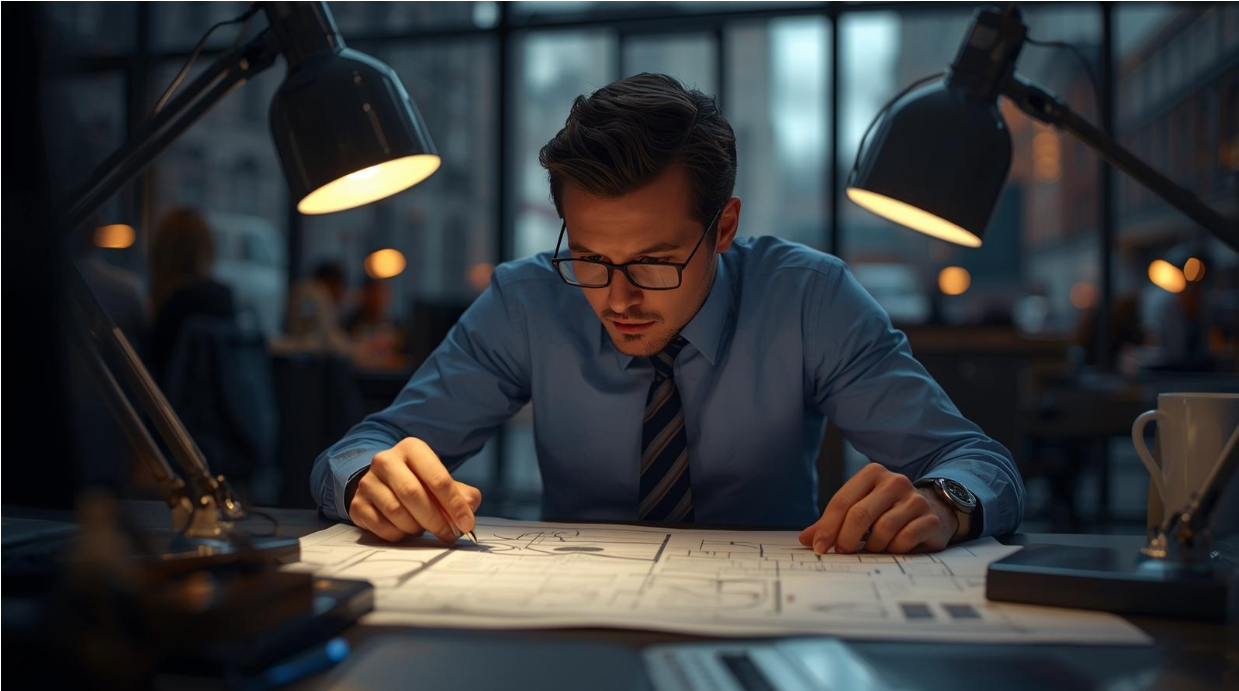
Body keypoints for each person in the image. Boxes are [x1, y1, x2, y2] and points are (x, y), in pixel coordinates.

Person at [312, 74, 1024, 554]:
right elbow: (355, 449)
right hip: (569, 628)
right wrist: (366, 480)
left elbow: (979, 463)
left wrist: (945, 502)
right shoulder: (527, 300)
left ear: (722, 227)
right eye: (590, 258)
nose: (617, 299)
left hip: (770, 621)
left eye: (654, 261)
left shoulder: (807, 298)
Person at [149, 207, 236, 382]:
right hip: (225, 405)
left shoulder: (171, 306)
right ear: (207, 249)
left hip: (163, 404)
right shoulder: (224, 297)